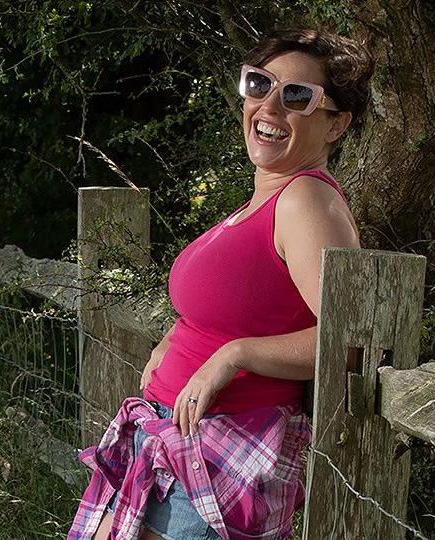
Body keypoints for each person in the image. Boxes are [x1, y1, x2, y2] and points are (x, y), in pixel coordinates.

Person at [68, 28, 374, 540]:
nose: (270, 107)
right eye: (259, 85)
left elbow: (350, 341)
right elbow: (231, 305)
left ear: (336, 124)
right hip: (168, 438)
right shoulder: (257, 205)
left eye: (297, 97)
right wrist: (175, 334)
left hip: (225, 457)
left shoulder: (307, 202)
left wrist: (236, 356)